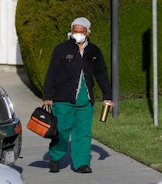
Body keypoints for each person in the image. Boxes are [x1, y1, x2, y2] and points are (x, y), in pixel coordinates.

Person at [42, 17, 114, 174]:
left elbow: (101, 74)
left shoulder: (94, 51)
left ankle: (82, 163)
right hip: (62, 100)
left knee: (83, 133)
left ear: (87, 32)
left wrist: (108, 96)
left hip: (85, 101)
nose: (77, 35)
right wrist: (47, 94)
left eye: (81, 32)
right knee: (61, 130)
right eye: (75, 31)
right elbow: (51, 73)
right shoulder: (61, 49)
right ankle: (55, 157)